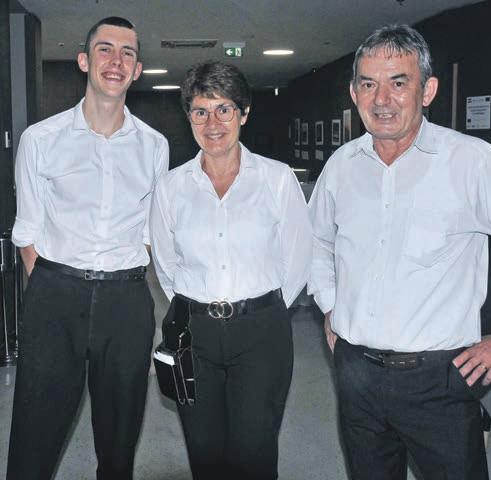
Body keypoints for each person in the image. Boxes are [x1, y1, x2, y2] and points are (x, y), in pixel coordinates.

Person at [308, 24, 491, 480]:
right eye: (368, 84)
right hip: (355, 374)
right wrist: (330, 304)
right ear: (353, 93)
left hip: (438, 381)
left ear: (427, 90)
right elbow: (317, 241)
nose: (381, 99)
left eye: (398, 82)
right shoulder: (341, 166)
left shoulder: (471, 161)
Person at [7, 17, 169, 480]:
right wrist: (57, 288)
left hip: (125, 301)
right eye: (105, 49)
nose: (116, 61)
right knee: (34, 438)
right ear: (84, 60)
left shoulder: (154, 146)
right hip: (56, 295)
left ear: (137, 70)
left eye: (127, 53)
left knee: (119, 445)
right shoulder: (41, 140)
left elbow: (150, 229)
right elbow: (27, 231)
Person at [150, 61, 312, 480]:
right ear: (189, 117)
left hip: (261, 333)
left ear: (244, 113)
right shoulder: (171, 187)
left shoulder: (276, 180)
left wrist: (261, 309)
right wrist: (200, 303)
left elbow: (298, 258)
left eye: (224, 109)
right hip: (193, 334)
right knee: (205, 455)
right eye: (200, 111)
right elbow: (167, 266)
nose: (213, 123)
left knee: (254, 454)